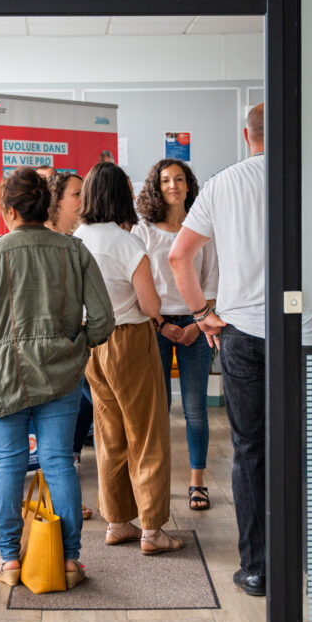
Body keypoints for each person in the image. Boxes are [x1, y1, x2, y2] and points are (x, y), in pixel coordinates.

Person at [0, 168, 115, 588]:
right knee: (58, 462)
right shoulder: (74, 251)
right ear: (46, 207)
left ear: (9, 211)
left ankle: (9, 559)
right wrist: (78, 345)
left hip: (4, 373)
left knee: (8, 464)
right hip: (61, 371)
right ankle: (69, 560)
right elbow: (103, 320)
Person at [168, 103, 266, 596]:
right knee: (306, 449)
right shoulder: (309, 175)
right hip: (305, 330)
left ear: (246, 134)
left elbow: (178, 254)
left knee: (250, 448)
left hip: (243, 331)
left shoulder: (224, 182)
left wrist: (203, 315)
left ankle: (256, 568)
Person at [74, 162, 185, 556]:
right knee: (148, 433)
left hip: (93, 343)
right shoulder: (127, 243)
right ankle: (153, 531)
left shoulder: (77, 238)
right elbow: (150, 303)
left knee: (110, 432)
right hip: (130, 339)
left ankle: (118, 521)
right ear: (121, 196)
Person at [132, 159, 218, 512]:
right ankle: (159, 481)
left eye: (179, 179)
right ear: (157, 186)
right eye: (166, 180)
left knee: (196, 409)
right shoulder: (144, 232)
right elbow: (138, 285)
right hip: (156, 326)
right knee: (159, 409)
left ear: (188, 185)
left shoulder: (202, 229)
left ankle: (197, 483)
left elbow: (213, 279)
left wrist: (198, 323)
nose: (173, 186)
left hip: (196, 325)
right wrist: (162, 324)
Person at [45, 171, 95, 520]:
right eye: (76, 194)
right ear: (57, 201)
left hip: (67, 353)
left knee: (59, 448)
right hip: (52, 357)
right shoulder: (55, 245)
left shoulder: (74, 243)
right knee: (54, 450)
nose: (83, 201)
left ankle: (61, 509)